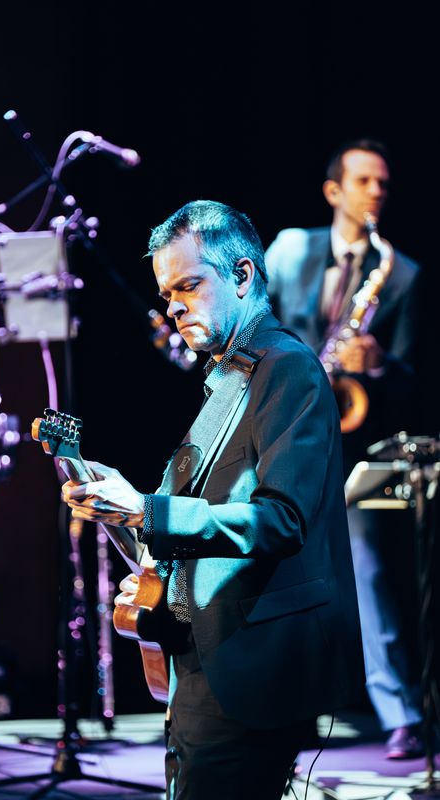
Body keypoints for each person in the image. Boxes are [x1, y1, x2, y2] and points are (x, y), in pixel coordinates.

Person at [62, 200, 363, 799]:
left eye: (189, 286)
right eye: (166, 293)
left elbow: (282, 520)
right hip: (203, 657)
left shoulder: (288, 369)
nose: (172, 306)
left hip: (251, 666)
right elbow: (187, 530)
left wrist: (146, 508)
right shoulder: (232, 375)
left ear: (243, 275)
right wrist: (124, 513)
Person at [264, 139, 424, 759]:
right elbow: (256, 326)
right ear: (334, 190)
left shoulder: (401, 274)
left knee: (369, 571)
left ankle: (400, 712)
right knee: (279, 573)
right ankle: (286, 708)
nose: (376, 192)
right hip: (284, 433)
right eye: (363, 181)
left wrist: (377, 363)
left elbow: (412, 381)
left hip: (355, 445)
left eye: (383, 183)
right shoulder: (288, 249)